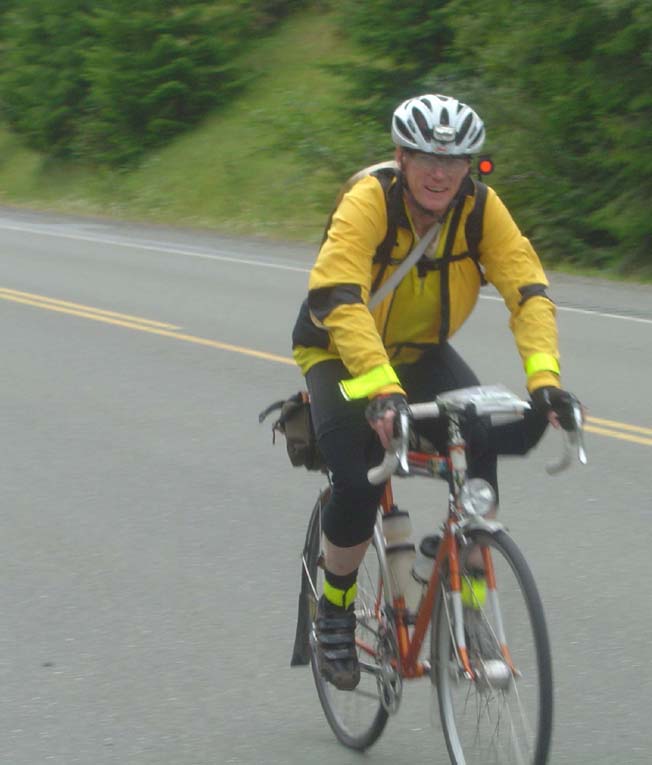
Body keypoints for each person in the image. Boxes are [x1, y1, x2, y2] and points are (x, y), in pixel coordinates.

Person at [291, 93, 579, 691]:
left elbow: (528, 290)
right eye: (426, 158)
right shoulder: (369, 200)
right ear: (401, 157)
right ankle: (335, 608)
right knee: (358, 478)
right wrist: (381, 389)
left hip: (420, 352)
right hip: (340, 351)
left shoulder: (480, 209)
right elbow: (339, 295)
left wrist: (545, 382)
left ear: (470, 166)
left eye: (453, 161)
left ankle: (468, 604)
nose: (440, 173)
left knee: (482, 440)